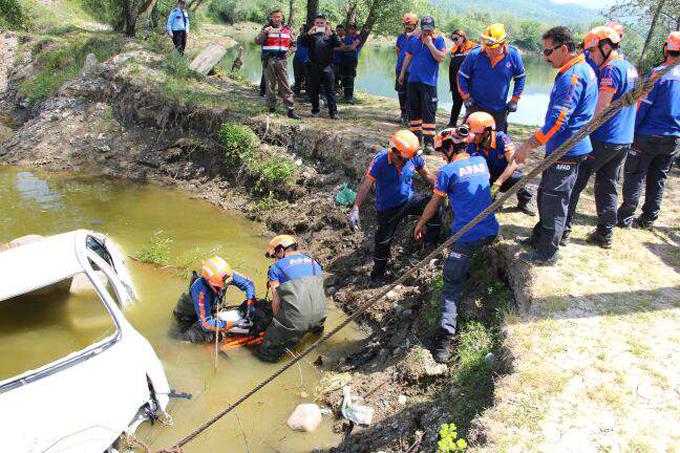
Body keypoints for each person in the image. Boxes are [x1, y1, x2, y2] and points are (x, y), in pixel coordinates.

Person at [414, 127, 499, 363]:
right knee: (464, 259)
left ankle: (443, 342)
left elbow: (434, 203)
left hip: (466, 238)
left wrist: (421, 222)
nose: (442, 156)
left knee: (450, 283)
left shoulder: (448, 171)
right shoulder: (481, 162)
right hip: (491, 231)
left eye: (443, 152)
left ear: (451, 148)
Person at [514, 26, 597, 265]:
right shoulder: (575, 69)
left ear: (564, 48)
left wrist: (528, 146)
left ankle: (547, 253)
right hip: (560, 149)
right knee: (545, 193)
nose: (545, 56)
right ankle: (540, 237)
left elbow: (558, 122)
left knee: (554, 199)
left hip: (567, 150)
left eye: (549, 51)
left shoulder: (574, 76)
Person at [563, 26, 637, 249]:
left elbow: (601, 108)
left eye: (593, 51)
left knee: (575, 182)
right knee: (608, 184)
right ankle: (605, 233)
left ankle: (563, 230)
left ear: (606, 47)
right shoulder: (630, 67)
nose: (592, 56)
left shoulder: (610, 70)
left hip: (603, 138)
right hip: (623, 139)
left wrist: (579, 132)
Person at [348, 130, 440, 284]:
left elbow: (427, 175)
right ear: (395, 151)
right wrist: (355, 208)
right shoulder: (380, 160)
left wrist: (441, 189)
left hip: (409, 199)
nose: (405, 162)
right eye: (402, 159)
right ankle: (377, 275)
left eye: (408, 160)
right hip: (388, 208)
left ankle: (430, 244)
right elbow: (366, 184)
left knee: (434, 205)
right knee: (383, 242)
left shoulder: (412, 157)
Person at [617, 32, 680, 230]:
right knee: (658, 177)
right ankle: (649, 219)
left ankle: (625, 217)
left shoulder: (658, 74)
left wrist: (631, 131)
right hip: (674, 137)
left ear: (666, 49)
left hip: (648, 134)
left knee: (635, 174)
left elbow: (642, 106)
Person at [257, 235, 327, 362]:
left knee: (267, 351)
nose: (275, 260)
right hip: (321, 316)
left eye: (275, 256)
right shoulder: (313, 262)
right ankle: (315, 337)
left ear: (281, 250)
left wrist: (277, 323)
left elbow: (276, 302)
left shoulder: (276, 268)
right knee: (312, 326)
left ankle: (267, 359)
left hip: (296, 321)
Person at [458, 23, 526, 133]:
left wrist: (515, 100)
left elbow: (520, 78)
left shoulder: (513, 56)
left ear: (503, 43)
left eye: (492, 48)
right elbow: (461, 76)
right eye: (486, 46)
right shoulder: (475, 55)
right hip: (475, 106)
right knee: (470, 139)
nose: (488, 50)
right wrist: (466, 96)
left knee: (497, 142)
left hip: (499, 109)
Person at [172, 256, 256, 343]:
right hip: (187, 320)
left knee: (236, 316)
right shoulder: (201, 290)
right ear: (209, 282)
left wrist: (250, 304)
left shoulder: (225, 275)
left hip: (208, 313)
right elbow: (206, 324)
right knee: (188, 338)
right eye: (220, 287)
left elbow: (249, 284)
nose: (223, 288)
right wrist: (232, 324)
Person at [466, 112, 534, 216]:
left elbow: (514, 162)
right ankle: (493, 201)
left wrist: (499, 182)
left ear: (486, 132)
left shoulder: (501, 139)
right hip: (487, 178)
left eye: (475, 133)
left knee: (520, 178)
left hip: (505, 177)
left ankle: (524, 203)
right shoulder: (471, 145)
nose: (471, 136)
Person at [398, 15, 447, 154]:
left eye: (429, 29)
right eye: (425, 29)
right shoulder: (414, 40)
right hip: (413, 81)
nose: (427, 32)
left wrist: (430, 44)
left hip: (429, 83)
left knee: (429, 113)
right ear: (421, 28)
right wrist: (402, 74)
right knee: (414, 111)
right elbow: (408, 57)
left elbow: (441, 58)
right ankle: (415, 140)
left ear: (434, 28)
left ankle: (429, 142)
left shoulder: (439, 40)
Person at [255, 10, 300, 119]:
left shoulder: (287, 30)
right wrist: (264, 32)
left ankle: (290, 110)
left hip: (282, 60)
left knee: (285, 84)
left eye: (278, 17)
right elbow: (257, 41)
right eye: (274, 17)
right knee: (270, 85)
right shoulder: (266, 28)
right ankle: (271, 108)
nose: (276, 19)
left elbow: (294, 45)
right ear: (271, 18)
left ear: (282, 18)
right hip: (268, 59)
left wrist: (288, 53)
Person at [302, 14, 343, 119]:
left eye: (322, 23)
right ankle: (315, 110)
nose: (319, 25)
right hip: (314, 67)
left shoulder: (330, 35)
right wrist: (308, 33)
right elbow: (302, 43)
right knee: (314, 90)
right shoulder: (311, 35)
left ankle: (333, 112)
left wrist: (332, 33)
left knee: (330, 91)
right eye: (317, 23)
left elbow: (339, 44)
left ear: (325, 24)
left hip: (328, 67)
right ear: (314, 24)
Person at [448, 29, 477, 127]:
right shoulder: (454, 50)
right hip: (455, 82)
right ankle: (452, 123)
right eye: (453, 39)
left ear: (463, 37)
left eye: (456, 38)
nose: (455, 41)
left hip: (468, 83)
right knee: (456, 103)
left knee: (469, 105)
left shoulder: (473, 48)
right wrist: (452, 85)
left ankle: (470, 125)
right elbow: (452, 68)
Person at [395, 13, 420, 124]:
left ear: (416, 24)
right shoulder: (401, 37)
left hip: (412, 71)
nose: (408, 26)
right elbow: (397, 50)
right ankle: (403, 114)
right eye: (406, 24)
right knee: (401, 92)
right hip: (400, 69)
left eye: (410, 24)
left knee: (411, 94)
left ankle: (411, 116)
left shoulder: (419, 38)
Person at [340, 23, 362, 103]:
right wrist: (348, 47)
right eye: (350, 29)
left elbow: (353, 47)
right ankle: (345, 96)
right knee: (344, 77)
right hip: (344, 59)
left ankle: (350, 97)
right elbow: (341, 47)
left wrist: (347, 47)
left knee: (350, 77)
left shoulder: (358, 37)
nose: (351, 30)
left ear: (355, 30)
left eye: (353, 29)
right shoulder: (345, 37)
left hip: (352, 59)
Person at [293, 25, 311, 98]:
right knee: (297, 77)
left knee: (307, 77)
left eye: (302, 29)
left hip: (306, 60)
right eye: (300, 29)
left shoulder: (310, 38)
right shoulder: (299, 37)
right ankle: (297, 92)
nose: (300, 31)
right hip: (297, 59)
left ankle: (308, 94)